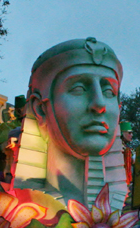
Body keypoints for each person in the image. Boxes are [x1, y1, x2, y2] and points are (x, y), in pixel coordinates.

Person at [13, 37, 129, 210]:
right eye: (79, 89)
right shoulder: (8, 213)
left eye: (109, 91)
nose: (99, 104)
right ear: (40, 109)